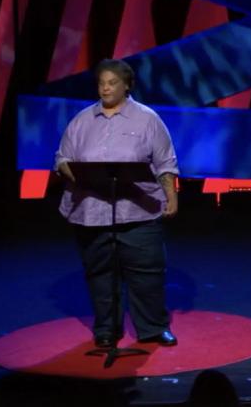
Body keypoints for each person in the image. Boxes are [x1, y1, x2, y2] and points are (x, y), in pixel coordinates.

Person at [55, 58, 180, 348]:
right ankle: (107, 329)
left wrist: (171, 197)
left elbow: (165, 162)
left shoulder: (148, 119)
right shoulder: (81, 120)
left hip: (139, 210)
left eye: (112, 83)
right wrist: (82, 176)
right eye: (101, 83)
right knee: (100, 273)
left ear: (127, 85)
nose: (105, 88)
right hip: (91, 211)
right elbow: (61, 157)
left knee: (147, 273)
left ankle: (152, 328)